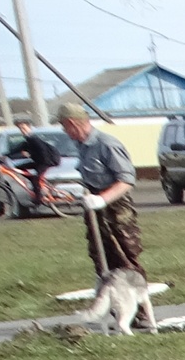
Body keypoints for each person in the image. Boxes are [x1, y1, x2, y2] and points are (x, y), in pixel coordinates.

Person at [59, 101, 150, 330]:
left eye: (64, 126)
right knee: (102, 261)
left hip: (116, 208)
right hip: (94, 207)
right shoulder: (80, 145)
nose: (63, 131)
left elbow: (126, 180)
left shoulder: (106, 144)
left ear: (72, 124)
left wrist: (103, 199)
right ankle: (116, 312)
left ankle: (139, 314)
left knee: (125, 260)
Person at [5, 116, 59, 208]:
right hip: (39, 161)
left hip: (46, 161)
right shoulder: (28, 139)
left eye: (24, 128)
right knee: (18, 168)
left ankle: (38, 199)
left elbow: (43, 152)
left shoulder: (34, 139)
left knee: (36, 179)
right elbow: (18, 148)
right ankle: (35, 184)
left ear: (29, 128)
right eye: (20, 129)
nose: (22, 130)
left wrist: (31, 154)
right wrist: (5, 155)